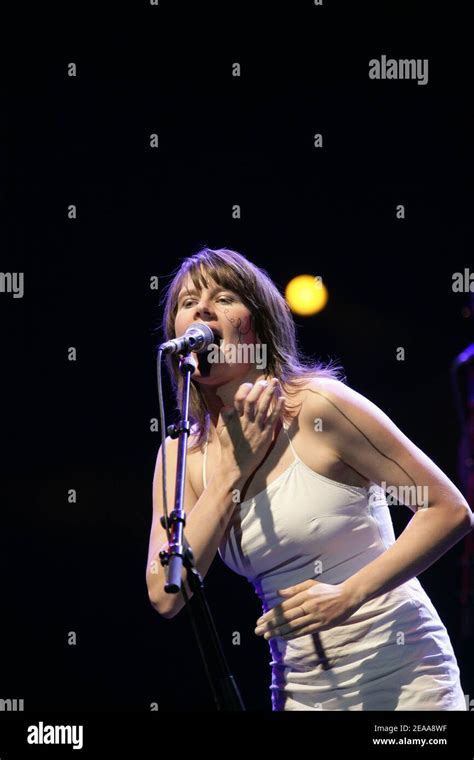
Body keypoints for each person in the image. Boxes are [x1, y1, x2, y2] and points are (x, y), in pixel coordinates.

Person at [146, 245, 473, 711]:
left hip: (403, 675)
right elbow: (165, 593)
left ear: (257, 323)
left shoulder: (318, 407)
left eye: (223, 298)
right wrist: (228, 477)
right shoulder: (181, 454)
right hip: (302, 691)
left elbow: (448, 509)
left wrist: (348, 594)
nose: (201, 308)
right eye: (187, 302)